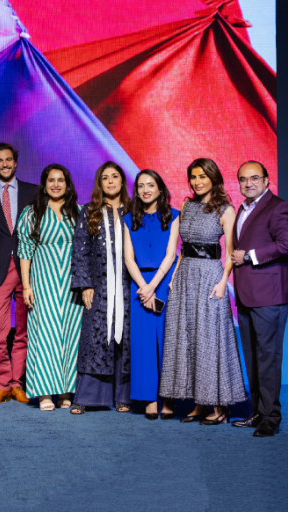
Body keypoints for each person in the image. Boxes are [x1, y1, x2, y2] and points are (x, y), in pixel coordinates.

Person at [160, 158, 246, 425]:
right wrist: (174, 276)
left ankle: (220, 407)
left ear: (213, 178)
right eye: (193, 177)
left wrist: (223, 283)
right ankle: (199, 403)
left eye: (202, 176)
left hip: (210, 275)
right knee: (187, 339)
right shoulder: (186, 206)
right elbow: (182, 248)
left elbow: (231, 251)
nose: (197, 182)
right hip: (185, 275)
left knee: (210, 340)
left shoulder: (226, 209)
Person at [230, 161, 288, 437]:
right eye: (243, 179)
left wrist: (249, 256)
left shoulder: (278, 206)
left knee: (268, 358)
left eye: (254, 178)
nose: (248, 183)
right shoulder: (243, 208)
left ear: (267, 180)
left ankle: (271, 417)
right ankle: (257, 412)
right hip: (246, 295)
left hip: (269, 296)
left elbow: (286, 244)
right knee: (252, 357)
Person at [17, 164, 82, 411]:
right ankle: (44, 393)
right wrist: (26, 286)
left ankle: (66, 390)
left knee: (71, 336)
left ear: (67, 184)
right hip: (43, 282)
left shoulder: (78, 211)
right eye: (51, 180)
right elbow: (25, 251)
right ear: (44, 184)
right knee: (44, 336)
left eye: (61, 180)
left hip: (73, 284)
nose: (56, 184)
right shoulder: (32, 213)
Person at [0, 143, 37, 405]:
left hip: (30, 269)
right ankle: (1, 384)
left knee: (25, 331)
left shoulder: (36, 192)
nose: (4, 164)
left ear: (16, 162)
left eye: (9, 159)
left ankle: (17, 383)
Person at [71, 162, 132, 415]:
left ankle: (123, 397)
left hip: (129, 286)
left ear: (122, 181)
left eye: (115, 177)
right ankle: (86, 397)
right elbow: (80, 249)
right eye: (105, 178)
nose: (110, 181)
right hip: (99, 285)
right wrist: (85, 284)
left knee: (125, 339)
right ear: (100, 183)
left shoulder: (134, 210)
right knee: (95, 339)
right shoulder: (89, 211)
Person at [124, 170, 180, 420]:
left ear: (160, 189)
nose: (145, 190)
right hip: (139, 283)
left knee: (167, 341)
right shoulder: (127, 219)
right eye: (140, 186)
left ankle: (167, 398)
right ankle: (148, 398)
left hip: (164, 282)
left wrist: (152, 286)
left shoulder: (175, 216)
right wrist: (143, 286)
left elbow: (170, 255)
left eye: (151, 185)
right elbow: (128, 258)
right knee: (143, 343)